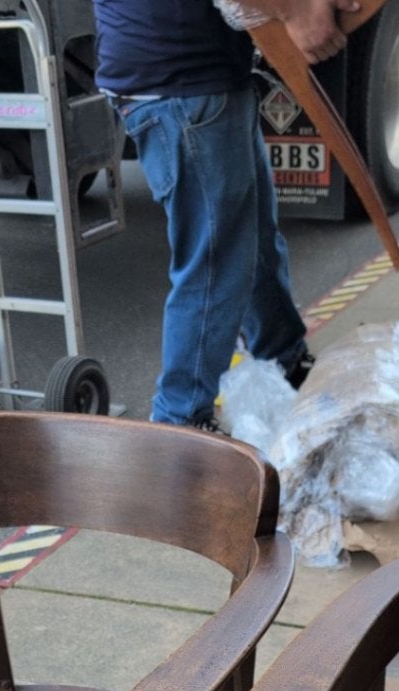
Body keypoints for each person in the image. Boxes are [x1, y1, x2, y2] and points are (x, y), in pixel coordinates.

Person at [92, 0, 358, 430]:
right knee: (215, 268)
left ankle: (285, 362)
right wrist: (294, 11)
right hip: (184, 84)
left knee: (253, 243)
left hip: (189, 81)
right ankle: (180, 423)